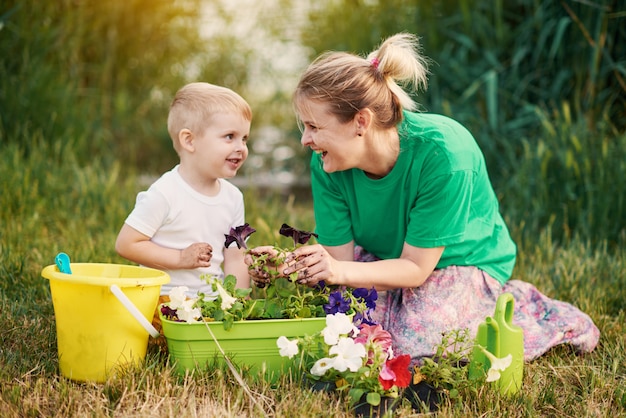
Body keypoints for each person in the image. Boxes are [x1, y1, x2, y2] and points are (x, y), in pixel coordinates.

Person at [246, 33, 599, 363]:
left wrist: (340, 269)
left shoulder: (444, 155)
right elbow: (340, 264)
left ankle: (526, 308)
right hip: (384, 259)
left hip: (456, 262)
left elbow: (415, 268)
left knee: (417, 341)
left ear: (360, 122)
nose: (305, 140)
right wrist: (290, 264)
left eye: (314, 127)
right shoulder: (327, 164)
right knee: (344, 324)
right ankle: (403, 310)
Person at [116, 82, 252, 303]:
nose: (241, 147)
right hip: (163, 299)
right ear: (189, 140)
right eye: (229, 136)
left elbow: (235, 258)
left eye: (244, 138)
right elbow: (127, 244)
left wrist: (238, 304)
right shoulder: (164, 193)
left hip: (211, 302)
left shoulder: (234, 197)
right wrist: (179, 258)